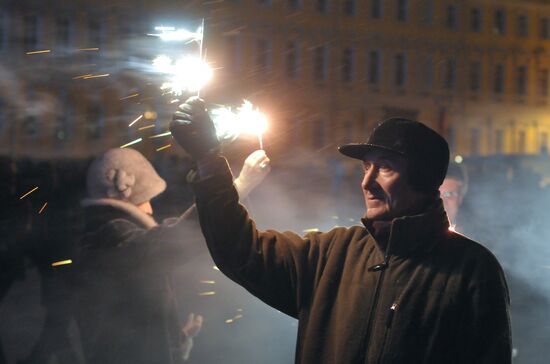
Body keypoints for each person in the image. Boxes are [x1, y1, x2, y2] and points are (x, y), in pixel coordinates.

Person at [169, 97, 512, 364]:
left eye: (386, 169)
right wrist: (208, 161)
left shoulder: (472, 271)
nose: (367, 182)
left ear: (423, 180)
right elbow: (240, 249)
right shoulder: (330, 254)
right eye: (366, 167)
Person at [71, 147, 269, 364]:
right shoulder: (110, 235)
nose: (149, 208)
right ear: (124, 192)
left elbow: (139, 316)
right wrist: (236, 188)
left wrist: (178, 337)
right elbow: (171, 242)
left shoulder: (105, 234)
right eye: (145, 198)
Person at [439, 161, 468, 226]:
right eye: (437, 195)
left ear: (460, 199)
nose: (442, 202)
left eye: (449, 194)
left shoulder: (475, 233)